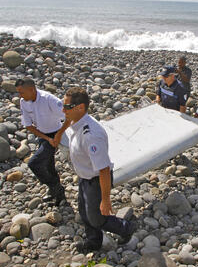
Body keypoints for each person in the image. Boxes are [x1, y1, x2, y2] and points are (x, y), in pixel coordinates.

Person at [63, 87, 136, 253]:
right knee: (84, 212)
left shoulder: (92, 135)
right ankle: (93, 241)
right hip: (84, 177)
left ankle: (126, 228)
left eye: (66, 107)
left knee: (97, 218)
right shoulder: (76, 121)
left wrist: (106, 200)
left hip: (96, 180)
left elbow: (103, 170)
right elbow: (67, 121)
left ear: (80, 108)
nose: (63, 110)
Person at [15, 78, 67, 206]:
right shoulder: (24, 102)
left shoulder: (48, 99)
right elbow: (28, 125)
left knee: (34, 163)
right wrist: (46, 138)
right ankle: (57, 191)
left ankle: (56, 188)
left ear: (32, 90)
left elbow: (68, 117)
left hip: (56, 133)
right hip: (43, 135)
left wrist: (58, 136)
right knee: (48, 165)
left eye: (21, 92)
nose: (19, 96)